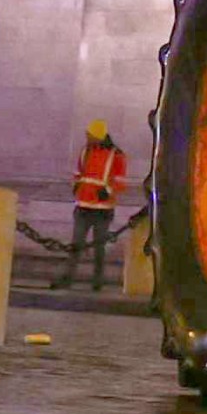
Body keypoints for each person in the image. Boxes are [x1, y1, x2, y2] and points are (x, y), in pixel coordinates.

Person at [53, 123, 130, 292]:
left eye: (89, 135)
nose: (87, 138)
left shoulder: (116, 155)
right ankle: (68, 278)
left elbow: (121, 182)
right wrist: (76, 185)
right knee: (76, 245)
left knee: (98, 248)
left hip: (102, 209)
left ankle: (97, 281)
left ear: (98, 136)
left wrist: (107, 191)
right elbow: (78, 173)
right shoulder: (85, 151)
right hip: (83, 206)